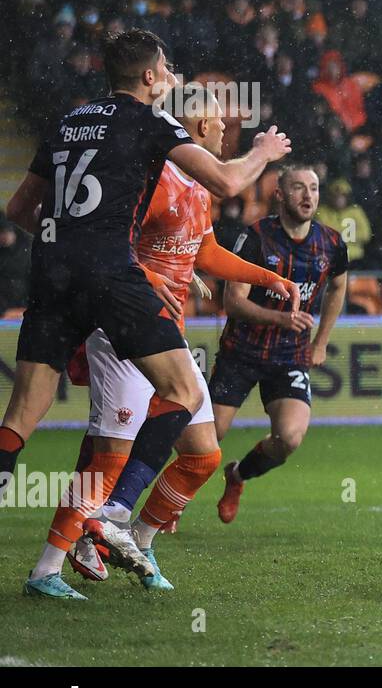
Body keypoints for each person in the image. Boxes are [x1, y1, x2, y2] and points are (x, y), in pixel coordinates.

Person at [1, 30, 290, 548]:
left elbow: (20, 210)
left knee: (25, 414)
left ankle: (111, 532)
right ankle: (97, 526)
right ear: (151, 76)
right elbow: (226, 182)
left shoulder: (69, 121)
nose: (175, 79)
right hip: (117, 290)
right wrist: (264, 152)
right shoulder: (153, 127)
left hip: (55, 275)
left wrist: (68, 239)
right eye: (169, 69)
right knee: (155, 409)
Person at [210, 166, 349, 522]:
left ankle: (238, 476)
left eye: (314, 188)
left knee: (288, 438)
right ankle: (171, 504)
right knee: (207, 439)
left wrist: (322, 342)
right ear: (280, 195)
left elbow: (338, 286)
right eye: (299, 188)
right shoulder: (256, 237)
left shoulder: (332, 243)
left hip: (289, 356)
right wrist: (281, 318)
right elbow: (233, 301)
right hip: (241, 352)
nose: (308, 196)